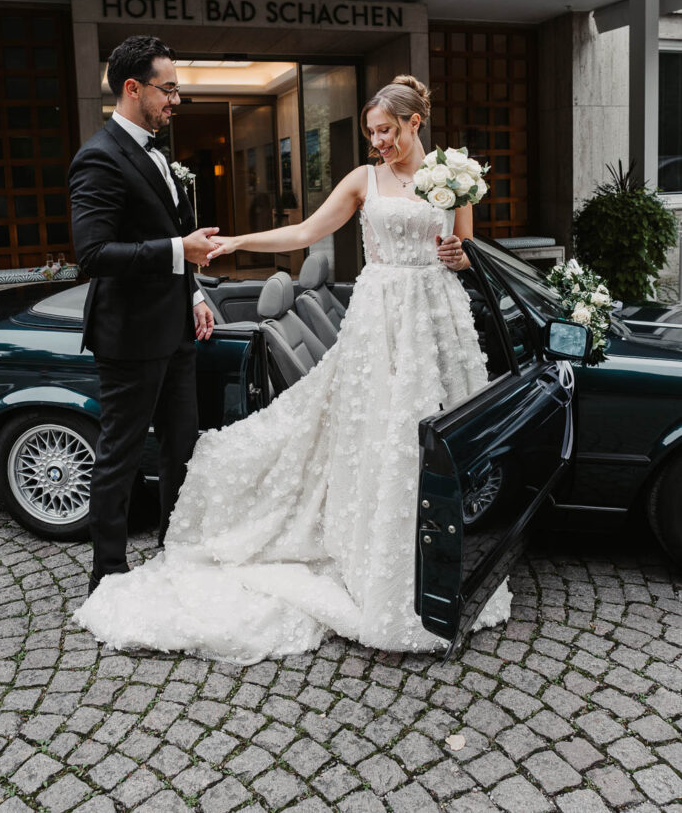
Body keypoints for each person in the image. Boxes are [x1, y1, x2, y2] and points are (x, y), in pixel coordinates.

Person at [74, 75, 511, 658]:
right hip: (380, 324)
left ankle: (432, 559)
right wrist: (236, 242)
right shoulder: (362, 180)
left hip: (434, 321)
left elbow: (462, 250)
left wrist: (459, 254)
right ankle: (376, 559)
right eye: (371, 132)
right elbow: (306, 231)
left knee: (436, 441)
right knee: (380, 438)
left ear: (413, 123)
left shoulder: (454, 176)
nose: (377, 141)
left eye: (385, 130)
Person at [69, 36, 217, 596]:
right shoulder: (99, 157)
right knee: (120, 454)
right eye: (169, 89)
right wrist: (180, 251)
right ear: (133, 88)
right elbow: (94, 256)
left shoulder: (157, 152)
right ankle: (107, 572)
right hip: (129, 337)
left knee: (182, 445)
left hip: (176, 327)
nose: (176, 100)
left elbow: (169, 240)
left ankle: (175, 551)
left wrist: (195, 293)